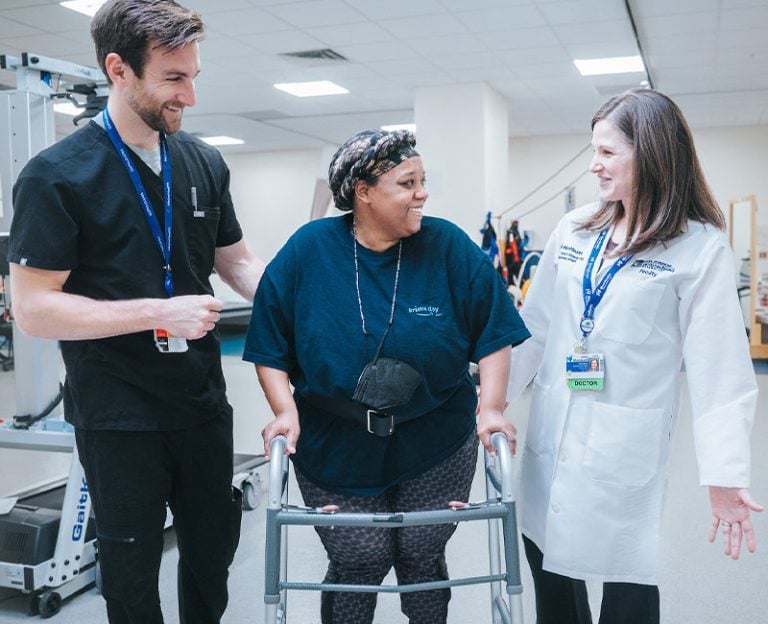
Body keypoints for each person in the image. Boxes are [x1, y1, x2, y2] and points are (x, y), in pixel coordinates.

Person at [7, 1, 264, 622]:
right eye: (174, 79)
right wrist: (157, 313)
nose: (191, 96)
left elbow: (238, 264)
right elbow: (34, 309)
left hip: (200, 403)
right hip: (118, 413)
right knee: (131, 570)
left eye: (194, 75)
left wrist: (312, 300)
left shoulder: (202, 160)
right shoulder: (57, 176)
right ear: (119, 70)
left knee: (212, 551)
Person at [243, 128, 530, 624]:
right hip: (336, 442)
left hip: (435, 437)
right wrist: (284, 410)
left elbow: (493, 331)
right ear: (363, 191)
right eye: (407, 182)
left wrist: (492, 409)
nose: (423, 193)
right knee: (359, 558)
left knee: (421, 555)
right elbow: (269, 341)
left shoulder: (447, 246)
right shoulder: (309, 250)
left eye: (423, 180)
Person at [506, 88, 763, 624]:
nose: (594, 165)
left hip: (626, 438)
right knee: (548, 566)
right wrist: (488, 404)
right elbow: (535, 327)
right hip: (554, 426)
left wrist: (725, 476)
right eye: (593, 150)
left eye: (606, 152)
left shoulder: (699, 246)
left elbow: (720, 370)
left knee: (627, 583)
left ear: (650, 153)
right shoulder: (576, 228)